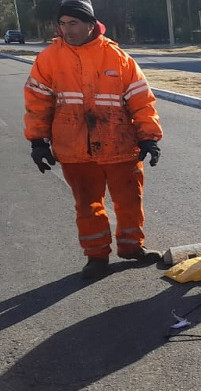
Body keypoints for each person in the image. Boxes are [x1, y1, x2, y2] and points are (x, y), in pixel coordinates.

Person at [24, 0, 164, 280]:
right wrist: (37, 141)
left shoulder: (118, 58)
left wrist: (149, 137)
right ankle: (96, 256)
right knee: (87, 205)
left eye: (73, 23)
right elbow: (37, 102)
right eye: (62, 24)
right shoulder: (49, 58)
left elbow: (141, 100)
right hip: (74, 148)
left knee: (130, 201)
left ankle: (131, 247)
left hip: (119, 146)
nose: (67, 30)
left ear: (90, 24)